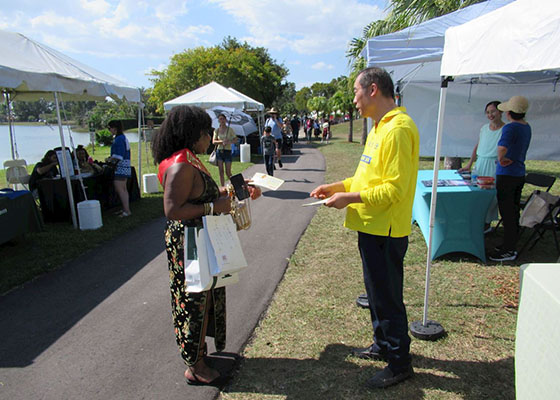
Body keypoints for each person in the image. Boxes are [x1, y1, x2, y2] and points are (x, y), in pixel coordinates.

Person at [310, 67, 419, 389]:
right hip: (371, 226)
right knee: (374, 293)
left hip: (386, 229)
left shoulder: (398, 128)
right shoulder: (378, 128)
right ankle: (383, 344)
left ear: (372, 90)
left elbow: (394, 190)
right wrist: (337, 186)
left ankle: (400, 363)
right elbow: (367, 178)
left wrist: (349, 197)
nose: (354, 100)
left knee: (387, 298)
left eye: (356, 92)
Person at [152, 105, 260, 386]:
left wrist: (238, 189)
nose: (209, 139)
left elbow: (204, 193)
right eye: (206, 134)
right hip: (191, 245)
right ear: (194, 134)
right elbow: (173, 210)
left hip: (200, 239)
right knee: (193, 302)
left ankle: (199, 354)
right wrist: (214, 206)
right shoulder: (181, 165)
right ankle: (195, 366)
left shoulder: (189, 159)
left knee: (204, 298)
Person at [489, 96, 532, 262]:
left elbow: (502, 148)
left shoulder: (510, 128)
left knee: (507, 212)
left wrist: (501, 159)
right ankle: (510, 243)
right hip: (518, 173)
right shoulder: (526, 126)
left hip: (507, 174)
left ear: (508, 113)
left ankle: (509, 249)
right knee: (513, 212)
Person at [458, 101, 505, 228]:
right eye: (488, 112)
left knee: (490, 196)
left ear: (500, 112)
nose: (490, 115)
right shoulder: (484, 128)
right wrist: (469, 164)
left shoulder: (505, 129)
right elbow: (478, 146)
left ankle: (486, 223)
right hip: (480, 164)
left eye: (493, 111)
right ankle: (477, 220)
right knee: (477, 192)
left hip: (493, 165)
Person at [107, 120, 131, 217]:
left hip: (121, 166)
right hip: (124, 166)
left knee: (120, 189)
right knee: (123, 189)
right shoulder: (121, 138)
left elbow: (119, 155)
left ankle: (126, 210)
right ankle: (126, 209)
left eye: (110, 128)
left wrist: (110, 159)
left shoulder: (119, 139)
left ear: (115, 128)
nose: (109, 130)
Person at [212, 113, 238, 186]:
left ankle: (234, 185)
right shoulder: (216, 130)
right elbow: (214, 141)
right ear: (218, 121)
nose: (222, 120)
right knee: (221, 171)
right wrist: (221, 142)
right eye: (220, 119)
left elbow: (235, 139)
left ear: (225, 120)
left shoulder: (230, 129)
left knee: (228, 172)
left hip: (227, 151)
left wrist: (229, 142)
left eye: (223, 119)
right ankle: (222, 187)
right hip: (219, 151)